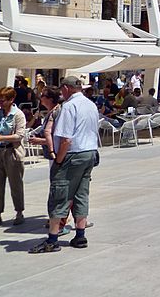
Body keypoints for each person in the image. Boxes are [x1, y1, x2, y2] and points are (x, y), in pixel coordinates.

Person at [29, 76, 98, 254]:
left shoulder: (69, 106)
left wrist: (58, 160)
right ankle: (80, 235)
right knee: (81, 194)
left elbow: (66, 139)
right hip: (89, 152)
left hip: (72, 154)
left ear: (67, 88)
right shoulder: (91, 104)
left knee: (59, 193)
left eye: (62, 89)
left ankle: (52, 239)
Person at [0, 86, 26, 227]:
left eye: (3, 100)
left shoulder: (18, 115)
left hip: (12, 153)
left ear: (11, 99)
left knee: (16, 185)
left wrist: (2, 137)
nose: (1, 103)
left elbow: (20, 135)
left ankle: (19, 212)